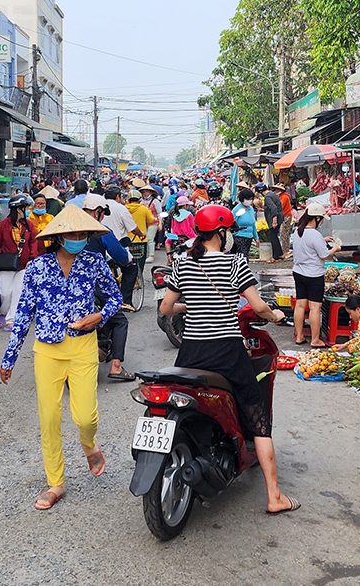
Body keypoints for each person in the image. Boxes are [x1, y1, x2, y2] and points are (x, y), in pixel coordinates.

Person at [157, 204, 299, 514]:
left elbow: (166, 308)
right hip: (226, 352)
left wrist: (190, 306)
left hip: (191, 352)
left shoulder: (182, 264)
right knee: (257, 417)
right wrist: (274, 315)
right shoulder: (235, 264)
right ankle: (275, 497)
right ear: (221, 233)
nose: (231, 235)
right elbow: (258, 306)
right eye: (229, 230)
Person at [0, 204, 121, 511]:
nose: (78, 237)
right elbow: (24, 312)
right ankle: (56, 483)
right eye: (73, 233)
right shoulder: (38, 268)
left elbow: (116, 297)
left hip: (83, 348)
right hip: (48, 351)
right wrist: (9, 357)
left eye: (83, 233)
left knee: (85, 417)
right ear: (60, 236)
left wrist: (99, 316)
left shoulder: (94, 262)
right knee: (50, 419)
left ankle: (88, 443)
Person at [80, 195, 134, 380]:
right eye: (102, 214)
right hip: (94, 286)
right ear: (98, 212)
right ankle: (116, 367)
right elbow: (120, 255)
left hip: (67, 286)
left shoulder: (68, 228)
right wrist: (127, 259)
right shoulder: (101, 231)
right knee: (120, 321)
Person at [291, 200, 341, 347]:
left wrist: (323, 240)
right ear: (317, 218)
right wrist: (335, 249)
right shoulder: (315, 235)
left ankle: (299, 336)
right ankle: (315, 339)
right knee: (315, 307)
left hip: (298, 273)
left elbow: (309, 244)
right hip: (313, 275)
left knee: (300, 305)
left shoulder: (298, 231)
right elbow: (325, 255)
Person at [0, 195, 39, 329]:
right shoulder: (3, 225)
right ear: (19, 210)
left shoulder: (29, 225)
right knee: (5, 292)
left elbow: (33, 242)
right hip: (6, 264)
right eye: (26, 208)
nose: (28, 210)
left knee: (18, 292)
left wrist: (32, 258)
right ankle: (3, 312)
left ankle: (11, 319)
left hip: (24, 264)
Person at [125, 188, 157, 286]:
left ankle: (129, 279)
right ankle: (137, 280)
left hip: (126, 240)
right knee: (140, 263)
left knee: (128, 262)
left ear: (128, 199)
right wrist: (155, 218)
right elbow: (151, 220)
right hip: (141, 239)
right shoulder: (143, 209)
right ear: (139, 199)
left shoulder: (124, 208)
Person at [231, 187, 259, 257]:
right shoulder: (237, 209)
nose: (249, 201)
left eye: (251, 199)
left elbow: (253, 225)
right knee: (242, 257)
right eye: (247, 199)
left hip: (249, 237)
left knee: (245, 255)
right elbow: (232, 223)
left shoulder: (251, 209)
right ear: (242, 199)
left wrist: (256, 238)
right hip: (239, 237)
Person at [263, 184, 285, 264]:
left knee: (272, 237)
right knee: (275, 236)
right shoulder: (273, 194)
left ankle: (275, 257)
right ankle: (280, 254)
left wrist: (274, 221)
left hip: (275, 219)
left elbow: (274, 208)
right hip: (279, 217)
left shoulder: (267, 197)